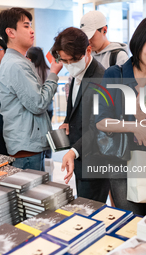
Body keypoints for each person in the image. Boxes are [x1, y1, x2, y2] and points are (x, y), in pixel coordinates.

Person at [95, 16, 146, 215]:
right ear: (139, 42)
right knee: (130, 224)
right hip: (121, 162)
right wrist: (134, 126)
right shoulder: (114, 75)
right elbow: (101, 121)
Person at [0, 7, 62, 171]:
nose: (32, 31)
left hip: (28, 145)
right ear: (10, 32)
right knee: (31, 195)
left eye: (31, 25)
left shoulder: (18, 61)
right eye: (26, 26)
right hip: (27, 149)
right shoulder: (16, 64)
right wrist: (53, 73)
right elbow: (38, 104)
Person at [51, 27, 109, 202]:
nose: (68, 66)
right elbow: (76, 107)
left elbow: (100, 127)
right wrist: (68, 121)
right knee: (83, 202)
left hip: (95, 159)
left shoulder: (102, 79)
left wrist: (74, 151)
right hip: (80, 156)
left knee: (91, 208)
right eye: (64, 61)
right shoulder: (76, 74)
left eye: (72, 61)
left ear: (88, 50)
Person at [27, 46, 54, 159]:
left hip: (36, 107)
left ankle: (40, 155)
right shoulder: (48, 71)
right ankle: (48, 155)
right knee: (48, 131)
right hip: (49, 107)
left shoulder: (30, 72)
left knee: (37, 132)